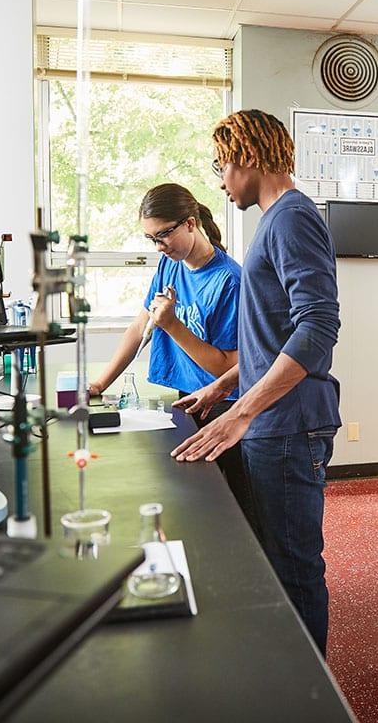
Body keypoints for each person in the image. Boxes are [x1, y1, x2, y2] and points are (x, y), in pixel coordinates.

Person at [172, 109, 341, 655]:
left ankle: (311, 696)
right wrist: (224, 388)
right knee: (275, 557)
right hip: (271, 419)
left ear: (247, 157)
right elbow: (274, 336)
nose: (220, 181)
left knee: (294, 568)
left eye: (222, 165)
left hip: (288, 424)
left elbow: (318, 328)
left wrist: (242, 412)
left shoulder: (292, 217)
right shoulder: (274, 219)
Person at [87, 183, 255, 528]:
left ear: (191, 223)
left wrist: (174, 326)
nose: (159, 246)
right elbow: (140, 327)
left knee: (226, 511)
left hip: (220, 405)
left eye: (163, 235)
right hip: (185, 399)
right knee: (187, 505)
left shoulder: (230, 281)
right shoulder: (170, 265)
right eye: (151, 239)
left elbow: (227, 367)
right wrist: (100, 383)